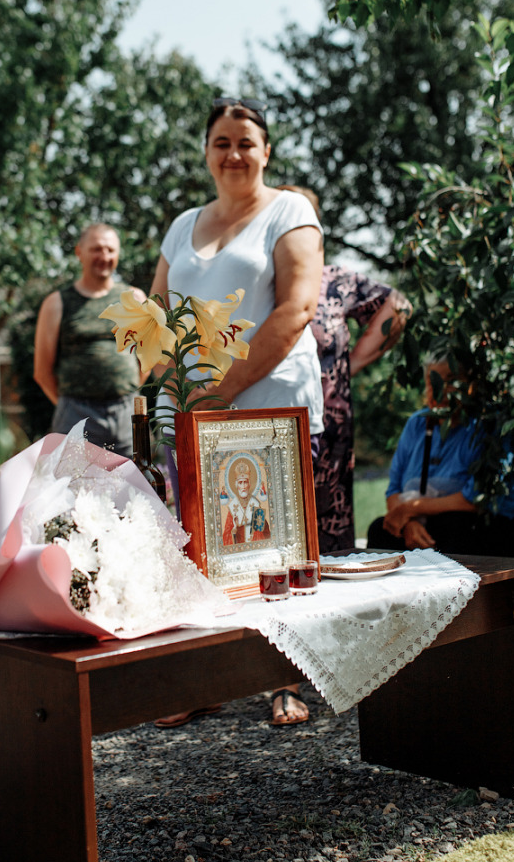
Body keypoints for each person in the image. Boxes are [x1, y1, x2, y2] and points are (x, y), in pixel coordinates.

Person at [150, 97, 324, 728]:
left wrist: (220, 389)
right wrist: (166, 387)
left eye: (246, 142)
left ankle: (286, 681)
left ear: (266, 150)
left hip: (267, 401)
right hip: (192, 409)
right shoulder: (182, 224)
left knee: (273, 545)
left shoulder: (289, 211)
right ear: (206, 151)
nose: (234, 154)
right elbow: (157, 312)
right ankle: (204, 679)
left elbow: (296, 309)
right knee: (198, 546)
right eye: (221, 142)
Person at [277, 187, 412, 554]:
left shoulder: (335, 280)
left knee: (329, 549)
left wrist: (349, 366)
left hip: (331, 439)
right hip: (269, 428)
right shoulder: (258, 279)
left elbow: (397, 305)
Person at [366, 358, 514, 556]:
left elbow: (474, 501)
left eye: (451, 381)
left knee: (454, 526)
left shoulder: (488, 425)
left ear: (471, 386)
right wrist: (408, 523)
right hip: (431, 522)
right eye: (433, 381)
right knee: (380, 530)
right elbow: (394, 491)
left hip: (497, 524)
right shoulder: (417, 424)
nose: (441, 389)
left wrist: (409, 509)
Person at [33, 223, 144, 457]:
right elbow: (42, 372)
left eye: (110, 250)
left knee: (132, 488)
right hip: (75, 413)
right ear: (79, 252)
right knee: (72, 490)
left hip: (126, 414)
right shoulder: (56, 303)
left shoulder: (134, 298)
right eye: (96, 249)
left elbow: (149, 357)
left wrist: (127, 388)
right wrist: (71, 406)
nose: (104, 256)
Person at [222, 458, 271, 545]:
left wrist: (258, 529)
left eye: (245, 482)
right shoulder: (232, 507)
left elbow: (266, 533)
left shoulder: (256, 504)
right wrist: (234, 529)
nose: (243, 486)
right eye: (240, 483)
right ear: (237, 486)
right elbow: (226, 538)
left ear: (249, 485)